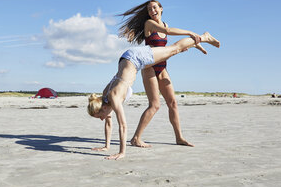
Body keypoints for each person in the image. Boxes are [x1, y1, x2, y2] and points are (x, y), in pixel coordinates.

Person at [88, 32, 220, 160]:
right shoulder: (104, 98)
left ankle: (203, 37)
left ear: (103, 108)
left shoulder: (113, 97)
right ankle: (192, 44)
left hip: (136, 58)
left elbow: (123, 125)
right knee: (172, 52)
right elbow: (109, 123)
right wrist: (106, 146)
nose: (101, 119)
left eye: (99, 116)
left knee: (174, 49)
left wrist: (122, 152)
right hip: (127, 59)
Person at [117, 0, 206, 148]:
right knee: (155, 105)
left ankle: (179, 137)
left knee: (173, 103)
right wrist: (191, 33)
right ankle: (136, 138)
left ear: (161, 9)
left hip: (162, 67)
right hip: (150, 68)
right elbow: (168, 32)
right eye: (149, 9)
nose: (152, 11)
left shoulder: (165, 24)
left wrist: (195, 46)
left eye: (154, 7)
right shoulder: (150, 24)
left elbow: (166, 48)